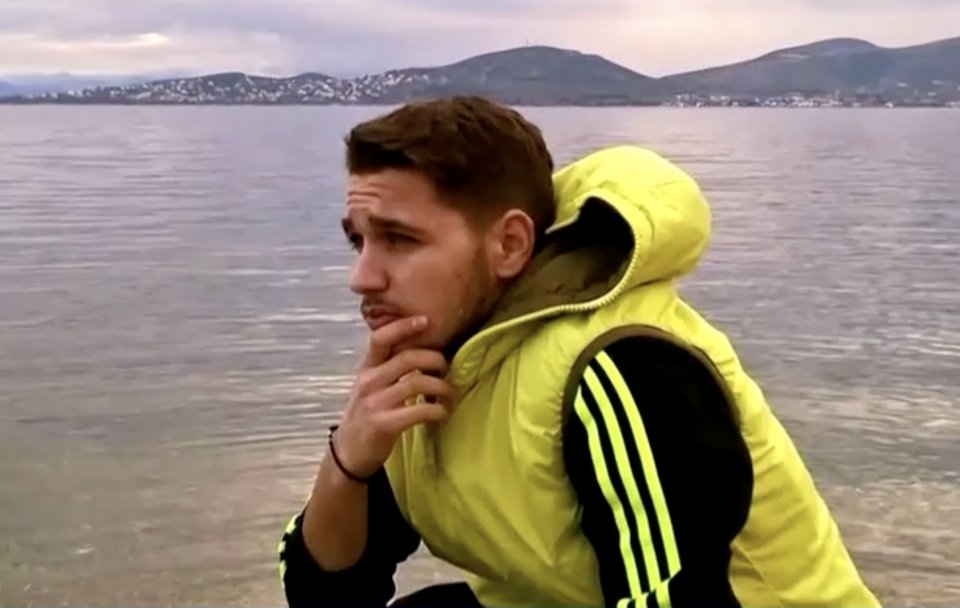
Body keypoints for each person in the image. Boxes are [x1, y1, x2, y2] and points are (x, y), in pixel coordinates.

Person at [276, 96, 880, 608]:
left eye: (399, 239)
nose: (362, 277)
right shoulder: (421, 367)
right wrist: (349, 459)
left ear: (510, 245)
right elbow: (325, 598)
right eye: (358, 241)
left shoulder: (620, 367)